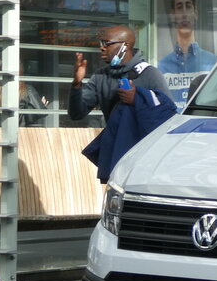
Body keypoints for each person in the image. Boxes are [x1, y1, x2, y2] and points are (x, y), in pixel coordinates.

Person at [70, 25, 176, 182]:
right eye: (100, 43)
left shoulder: (149, 74)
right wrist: (77, 83)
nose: (102, 48)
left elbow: (169, 116)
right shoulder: (101, 77)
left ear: (124, 46)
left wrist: (137, 100)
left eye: (106, 43)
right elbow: (76, 114)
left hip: (145, 160)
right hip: (117, 157)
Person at [158, 0, 217, 106]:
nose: (184, 13)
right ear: (173, 14)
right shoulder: (162, 66)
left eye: (188, 6)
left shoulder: (212, 62)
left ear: (195, 12)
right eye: (179, 7)